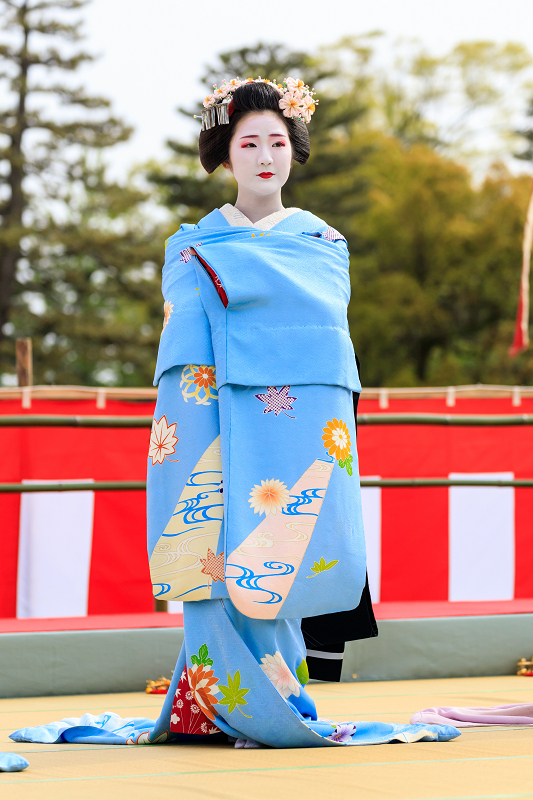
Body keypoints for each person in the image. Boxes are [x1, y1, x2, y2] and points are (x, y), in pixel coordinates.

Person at [11, 78, 459, 750]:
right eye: (247, 142)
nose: (263, 156)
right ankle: (209, 705)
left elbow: (324, 330)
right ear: (226, 154)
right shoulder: (188, 243)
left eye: (276, 141)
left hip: (293, 413)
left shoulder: (321, 242)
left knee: (278, 550)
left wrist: (237, 298)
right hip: (202, 406)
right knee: (208, 549)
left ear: (293, 150)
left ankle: (275, 699)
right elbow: (184, 340)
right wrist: (246, 311)